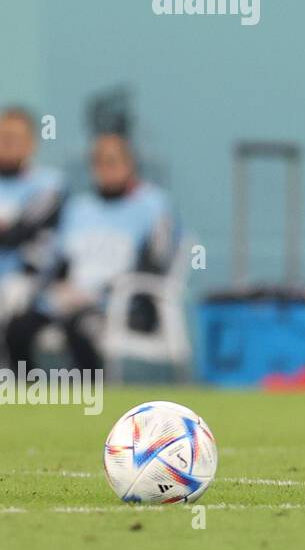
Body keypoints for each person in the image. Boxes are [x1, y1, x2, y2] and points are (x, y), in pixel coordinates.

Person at [4, 133, 178, 372]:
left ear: (130, 164)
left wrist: (101, 292)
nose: (106, 169)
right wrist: (57, 287)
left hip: (122, 304)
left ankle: (92, 399)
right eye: (99, 163)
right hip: (71, 299)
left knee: (80, 326)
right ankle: (29, 397)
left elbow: (156, 263)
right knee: (18, 328)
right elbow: (60, 260)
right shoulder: (79, 208)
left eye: (113, 162)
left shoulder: (153, 205)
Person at [0, 106, 64, 353]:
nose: (6, 144)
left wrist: (9, 229)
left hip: (30, 282)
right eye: (2, 137)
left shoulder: (49, 184)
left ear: (31, 144)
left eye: (14, 138)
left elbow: (18, 233)